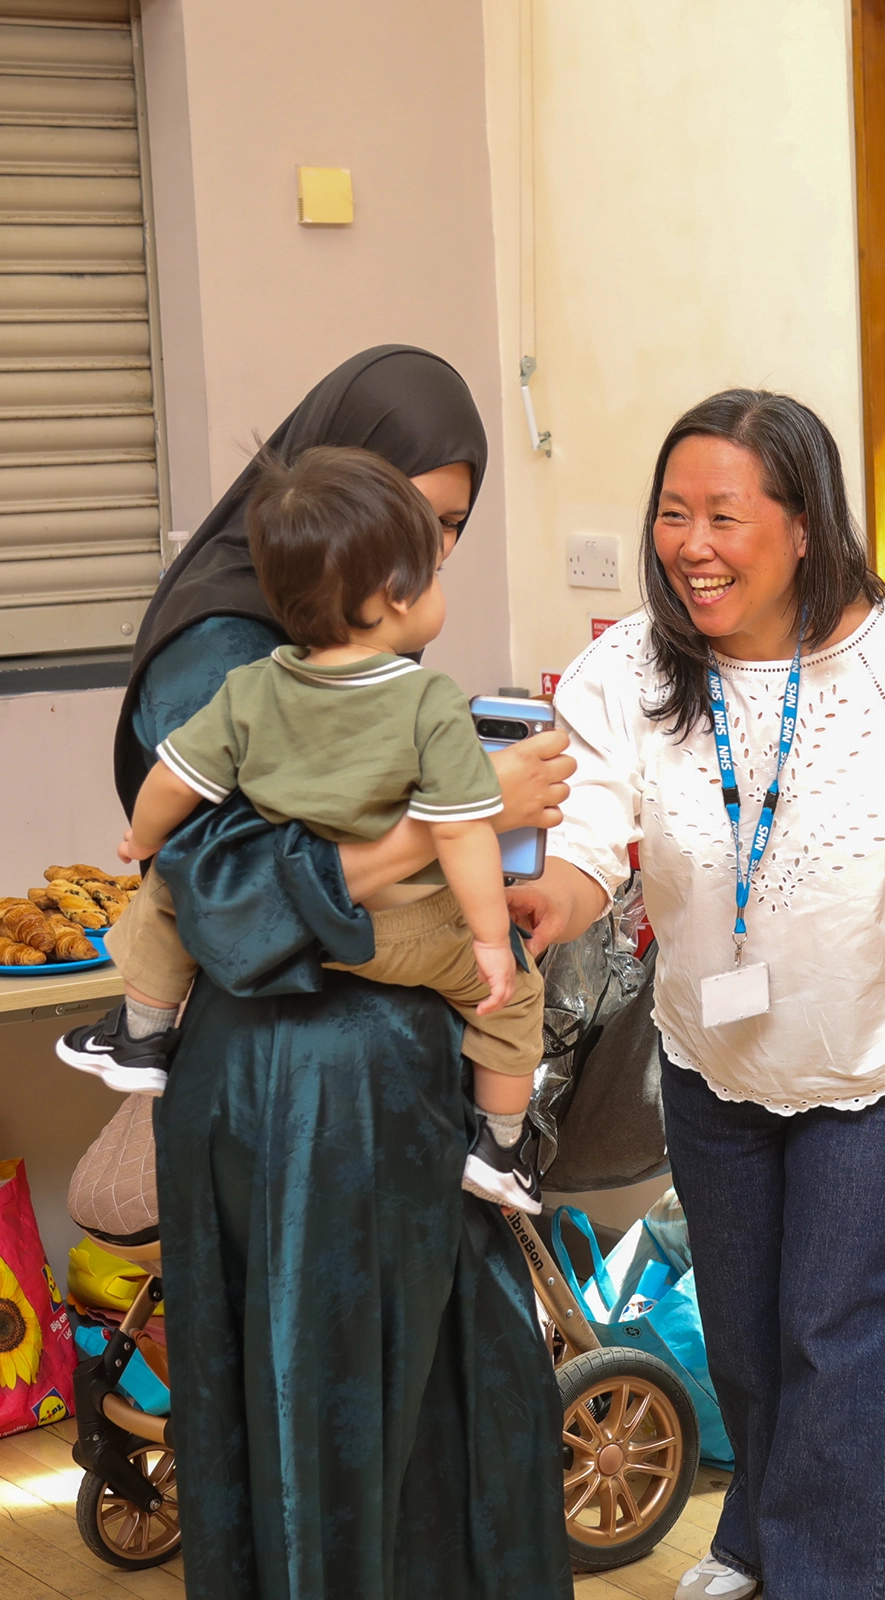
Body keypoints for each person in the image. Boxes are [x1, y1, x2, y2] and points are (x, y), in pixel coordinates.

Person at [506, 389, 885, 1600]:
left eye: (724, 517)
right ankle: (752, 1537)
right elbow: (591, 825)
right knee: (745, 1333)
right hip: (713, 1061)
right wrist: (550, 904)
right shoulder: (638, 664)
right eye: (671, 513)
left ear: (802, 526)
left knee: (835, 1344)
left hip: (875, 1070)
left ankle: (824, 1578)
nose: (690, 545)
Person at [105, 347, 575, 1600]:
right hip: (298, 1095)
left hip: (385, 1085)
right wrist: (454, 820)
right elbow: (226, 890)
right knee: (332, 1419)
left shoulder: (327, 638)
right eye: (413, 521)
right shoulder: (221, 650)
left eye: (449, 530)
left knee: (445, 1402)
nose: (426, 557)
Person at [60, 447, 544, 1211]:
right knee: (514, 1002)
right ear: (394, 595)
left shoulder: (250, 687)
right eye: (436, 571)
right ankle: (501, 1147)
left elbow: (173, 781)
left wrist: (142, 843)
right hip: (399, 936)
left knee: (168, 893)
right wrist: (490, 940)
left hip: (300, 941)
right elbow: (460, 834)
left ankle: (142, 1035)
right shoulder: (429, 702)